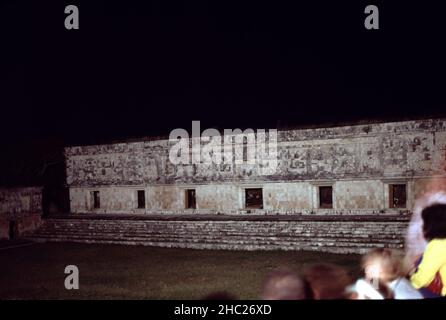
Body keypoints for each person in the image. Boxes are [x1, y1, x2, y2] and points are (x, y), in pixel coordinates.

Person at [352, 248, 422, 299]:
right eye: (366, 267)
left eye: (371, 268)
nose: (366, 271)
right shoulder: (378, 281)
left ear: (387, 270)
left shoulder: (401, 292)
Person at [410, 203, 446, 297]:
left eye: (424, 222)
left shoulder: (438, 244)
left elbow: (423, 279)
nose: (422, 227)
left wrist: (409, 284)